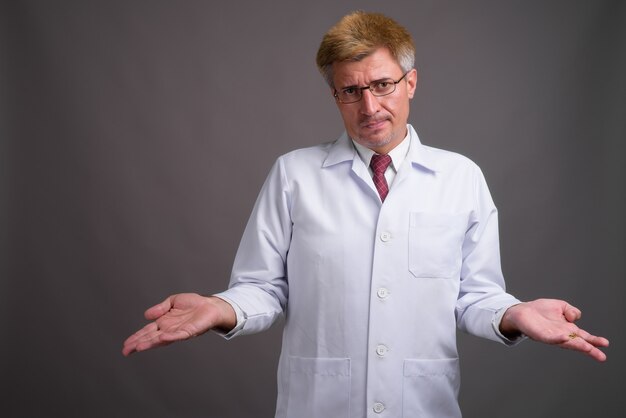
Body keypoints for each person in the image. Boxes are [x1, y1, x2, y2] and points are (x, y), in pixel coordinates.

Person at [123, 11, 609, 418]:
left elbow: (473, 296)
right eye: (350, 91)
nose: (369, 106)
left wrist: (515, 314)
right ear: (335, 95)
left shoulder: (461, 177)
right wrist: (219, 307)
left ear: (410, 82)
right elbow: (264, 287)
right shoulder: (295, 174)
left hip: (423, 405)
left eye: (382, 84)